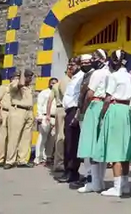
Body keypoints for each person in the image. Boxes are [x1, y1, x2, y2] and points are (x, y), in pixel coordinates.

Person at [93, 50, 131, 197]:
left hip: (115, 109)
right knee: (125, 148)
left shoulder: (113, 76)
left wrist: (102, 114)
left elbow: (108, 97)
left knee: (115, 148)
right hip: (126, 110)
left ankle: (116, 187)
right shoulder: (130, 77)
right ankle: (125, 184)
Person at [77, 49, 110, 193]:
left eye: (95, 57)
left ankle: (93, 182)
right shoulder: (109, 73)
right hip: (105, 105)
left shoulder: (97, 73)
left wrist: (83, 110)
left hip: (95, 104)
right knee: (100, 145)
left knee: (90, 145)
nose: (93, 61)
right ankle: (100, 181)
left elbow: (90, 93)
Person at [56, 55, 90, 183]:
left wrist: (77, 114)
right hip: (69, 110)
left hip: (74, 110)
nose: (70, 67)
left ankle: (72, 171)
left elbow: (80, 96)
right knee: (67, 141)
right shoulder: (73, 78)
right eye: (69, 64)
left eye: (73, 64)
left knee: (72, 143)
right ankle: (67, 169)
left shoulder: (81, 77)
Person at [5, 69, 35, 169]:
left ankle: (22, 160)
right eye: (28, 76)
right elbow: (20, 84)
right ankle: (10, 160)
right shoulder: (16, 83)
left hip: (28, 111)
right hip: (18, 110)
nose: (30, 78)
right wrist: (22, 73)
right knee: (14, 137)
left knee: (26, 138)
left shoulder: (29, 87)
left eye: (31, 76)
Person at [47, 63, 74, 172]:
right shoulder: (66, 81)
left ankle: (59, 161)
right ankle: (59, 162)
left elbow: (50, 100)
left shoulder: (56, 84)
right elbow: (67, 96)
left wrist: (48, 114)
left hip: (59, 109)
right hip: (63, 109)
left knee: (60, 135)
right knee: (61, 137)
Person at [34, 78, 58, 166]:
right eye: (52, 83)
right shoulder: (44, 92)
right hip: (44, 116)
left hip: (54, 117)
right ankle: (38, 157)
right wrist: (39, 116)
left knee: (52, 139)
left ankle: (47, 157)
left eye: (55, 83)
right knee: (42, 138)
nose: (53, 84)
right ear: (49, 83)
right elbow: (39, 105)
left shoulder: (58, 93)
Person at [0, 80, 13, 167]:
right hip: (4, 112)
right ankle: (0, 159)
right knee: (2, 137)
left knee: (12, 138)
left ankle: (9, 159)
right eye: (15, 78)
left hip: (14, 114)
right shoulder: (4, 88)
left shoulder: (17, 90)